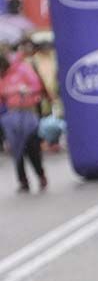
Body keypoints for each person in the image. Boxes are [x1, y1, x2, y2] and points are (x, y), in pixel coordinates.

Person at [0, 53, 50, 192]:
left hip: (27, 113)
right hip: (10, 116)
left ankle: (40, 175)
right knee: (16, 150)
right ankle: (23, 181)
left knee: (32, 147)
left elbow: (36, 86)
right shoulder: (2, 77)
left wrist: (24, 90)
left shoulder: (22, 69)